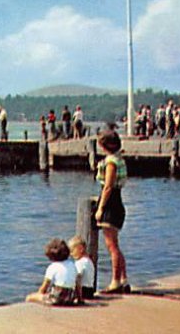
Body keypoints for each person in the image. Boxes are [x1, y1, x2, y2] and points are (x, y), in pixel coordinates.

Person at [95, 129, 129, 294]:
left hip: (111, 204)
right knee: (115, 245)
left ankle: (115, 281)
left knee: (111, 246)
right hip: (118, 202)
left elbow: (108, 186)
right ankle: (123, 279)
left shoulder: (111, 162)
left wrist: (100, 208)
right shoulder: (119, 159)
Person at [25, 238, 77, 306]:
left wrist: (39, 295)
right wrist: (80, 298)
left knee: (29, 297)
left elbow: (45, 286)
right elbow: (77, 283)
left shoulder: (52, 267)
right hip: (70, 298)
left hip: (56, 299)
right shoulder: (72, 265)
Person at [68, 235, 96, 303]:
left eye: (72, 251)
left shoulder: (80, 263)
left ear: (80, 249)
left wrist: (79, 297)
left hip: (83, 291)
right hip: (90, 291)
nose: (71, 254)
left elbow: (78, 279)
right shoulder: (89, 261)